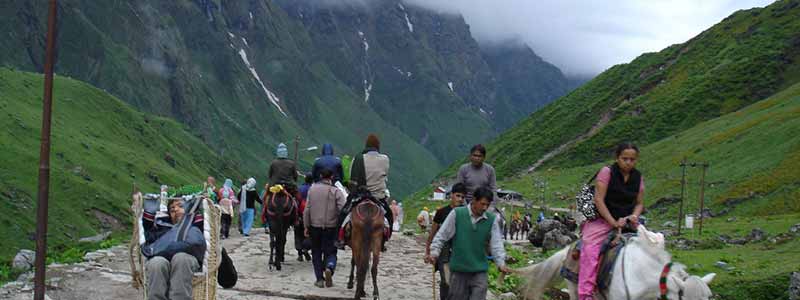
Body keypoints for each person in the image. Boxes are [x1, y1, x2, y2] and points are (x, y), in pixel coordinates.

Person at [578, 143, 645, 300]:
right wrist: (613, 222)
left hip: (628, 221)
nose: (628, 162)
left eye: (632, 159)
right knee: (590, 250)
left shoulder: (638, 177)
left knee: (653, 244)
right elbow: (599, 200)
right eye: (624, 159)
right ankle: (585, 294)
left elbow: (640, 202)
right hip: (603, 220)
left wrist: (634, 215)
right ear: (617, 158)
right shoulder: (607, 172)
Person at [426, 187, 511, 300]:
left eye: (488, 205)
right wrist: (434, 252)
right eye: (482, 204)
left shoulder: (491, 220)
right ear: (474, 200)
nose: (485, 208)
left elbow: (496, 244)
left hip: (479, 271)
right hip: (459, 270)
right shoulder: (457, 214)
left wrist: (501, 263)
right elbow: (442, 236)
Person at [144, 198, 206, 300]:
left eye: (181, 206)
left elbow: (202, 244)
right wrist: (148, 217)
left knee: (181, 258)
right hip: (163, 260)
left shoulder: (196, 225)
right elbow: (149, 240)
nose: (176, 210)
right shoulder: (163, 228)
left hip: (187, 260)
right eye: (172, 210)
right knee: (156, 263)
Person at [338, 134, 392, 249]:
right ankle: (384, 239)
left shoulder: (357, 159)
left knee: (343, 214)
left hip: (360, 195)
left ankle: (341, 238)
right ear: (378, 146)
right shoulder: (385, 159)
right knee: (389, 216)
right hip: (378, 197)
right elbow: (385, 174)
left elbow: (353, 178)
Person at [304, 169, 347, 288]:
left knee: (316, 252)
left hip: (314, 226)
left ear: (321, 175)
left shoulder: (312, 190)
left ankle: (319, 280)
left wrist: (306, 225)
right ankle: (330, 267)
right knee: (331, 251)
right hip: (331, 227)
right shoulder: (336, 191)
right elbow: (343, 209)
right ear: (332, 177)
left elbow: (307, 209)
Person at [425, 183, 466, 300]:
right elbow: (432, 234)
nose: (460, 199)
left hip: (460, 252)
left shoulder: (466, 214)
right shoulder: (441, 212)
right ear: (451, 195)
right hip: (444, 252)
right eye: (458, 196)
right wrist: (428, 252)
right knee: (446, 280)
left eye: (463, 197)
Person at [295, 174, 313, 262]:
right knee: (310, 233)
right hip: (312, 215)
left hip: (300, 214)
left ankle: (300, 254)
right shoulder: (314, 188)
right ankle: (306, 248)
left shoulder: (299, 188)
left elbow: (296, 202)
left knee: (298, 233)